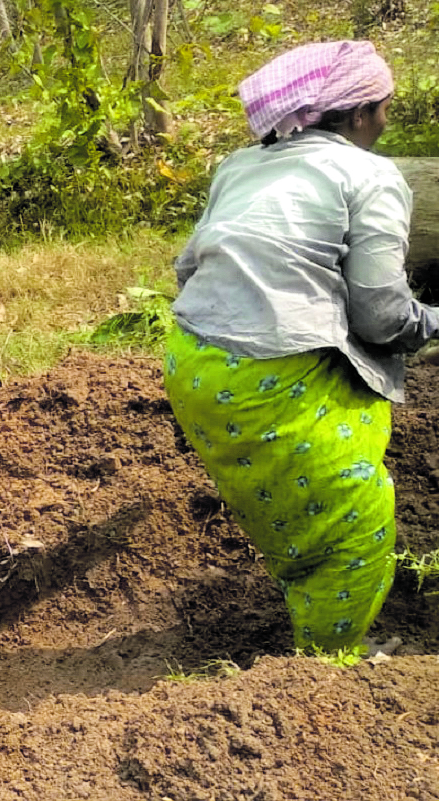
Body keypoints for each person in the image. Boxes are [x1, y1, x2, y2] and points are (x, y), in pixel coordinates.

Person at [165, 40, 437, 658]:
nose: (386, 121)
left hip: (194, 363)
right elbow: (382, 317)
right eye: (385, 108)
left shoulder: (239, 164)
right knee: (355, 533)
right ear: (361, 113)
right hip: (273, 376)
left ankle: (306, 605)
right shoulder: (371, 175)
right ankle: (322, 676)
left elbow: (191, 268)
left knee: (291, 506)